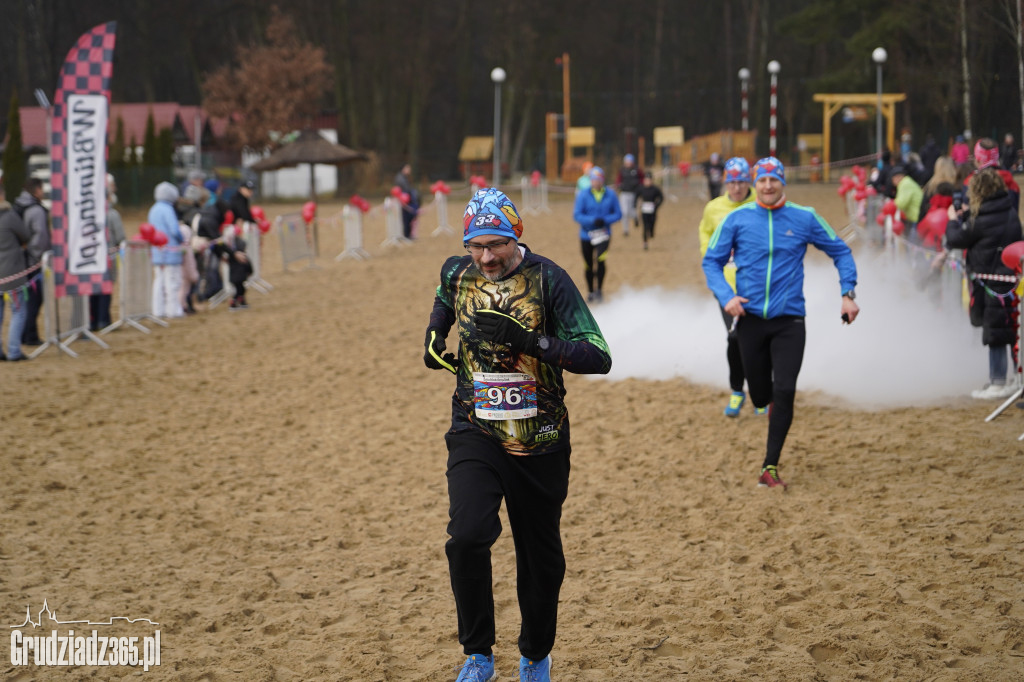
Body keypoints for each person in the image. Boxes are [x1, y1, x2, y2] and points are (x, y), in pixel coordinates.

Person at [422, 187, 611, 682]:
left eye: (496, 246)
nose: (486, 258)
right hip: (475, 427)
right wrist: (434, 334)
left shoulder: (550, 280)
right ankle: (479, 655)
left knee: (539, 556)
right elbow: (445, 298)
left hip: (539, 438)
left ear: (515, 237)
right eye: (477, 247)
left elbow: (598, 355)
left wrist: (531, 342)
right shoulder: (457, 270)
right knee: (466, 536)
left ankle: (535, 656)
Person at [702, 158, 859, 488]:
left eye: (774, 179)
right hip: (750, 319)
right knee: (760, 396)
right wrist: (726, 295)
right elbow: (711, 261)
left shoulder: (805, 217)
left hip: (790, 321)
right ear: (754, 184)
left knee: (785, 390)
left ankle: (769, 467)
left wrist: (848, 292)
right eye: (762, 180)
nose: (768, 185)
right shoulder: (737, 219)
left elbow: (841, 251)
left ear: (783, 183)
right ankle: (761, 400)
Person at [945, 167, 1023, 399]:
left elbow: (956, 239)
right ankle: (1015, 379)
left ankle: (997, 382)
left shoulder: (981, 217)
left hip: (991, 282)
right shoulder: (1008, 209)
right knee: (1013, 331)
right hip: (1011, 279)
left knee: (995, 333)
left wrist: (952, 221)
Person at [697, 157, 760, 417]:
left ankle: (761, 393)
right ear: (725, 183)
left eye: (742, 182)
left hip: (758, 285)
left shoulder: (761, 202)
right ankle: (737, 390)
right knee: (735, 338)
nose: (737, 188)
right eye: (732, 182)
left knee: (760, 341)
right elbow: (705, 235)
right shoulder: (714, 208)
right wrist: (714, 259)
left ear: (749, 182)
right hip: (726, 287)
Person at [572, 166, 621, 303]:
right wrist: (592, 220)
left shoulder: (611, 194)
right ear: (590, 181)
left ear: (603, 180)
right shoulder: (583, 195)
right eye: (593, 180)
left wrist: (605, 220)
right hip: (586, 235)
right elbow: (577, 215)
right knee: (588, 264)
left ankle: (599, 290)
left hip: (603, 234)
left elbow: (618, 214)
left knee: (600, 260)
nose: (596, 182)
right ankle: (590, 292)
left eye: (599, 180)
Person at [12, 178, 50, 345]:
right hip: (34, 263)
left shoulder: (19, 206)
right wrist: (40, 257)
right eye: (42, 189)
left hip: (21, 260)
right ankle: (30, 335)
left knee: (26, 300)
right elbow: (40, 235)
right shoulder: (36, 210)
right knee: (34, 299)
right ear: (36, 190)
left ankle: (25, 334)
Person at [88, 174, 126, 331]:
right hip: (108, 258)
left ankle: (93, 320)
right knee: (105, 289)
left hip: (90, 258)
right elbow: (120, 237)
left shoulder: (88, 216)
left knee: (92, 290)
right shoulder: (112, 214)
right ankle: (104, 319)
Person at [0, 180, 33, 361]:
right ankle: (14, 350)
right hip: (12, 273)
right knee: (18, 311)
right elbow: (25, 236)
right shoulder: (9, 215)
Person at [149, 181, 185, 318]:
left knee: (159, 281)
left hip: (157, 252)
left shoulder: (153, 209)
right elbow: (174, 230)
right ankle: (173, 310)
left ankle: (158, 310)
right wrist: (182, 239)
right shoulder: (168, 209)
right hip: (171, 252)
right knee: (173, 282)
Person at [213, 225, 253, 310]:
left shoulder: (232, 256)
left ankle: (241, 302)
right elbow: (248, 264)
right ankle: (234, 302)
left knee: (240, 289)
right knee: (240, 289)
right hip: (239, 276)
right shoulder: (241, 256)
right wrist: (250, 271)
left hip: (234, 276)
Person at [890, 166, 923, 238]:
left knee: (913, 244)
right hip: (916, 217)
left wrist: (890, 205)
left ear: (898, 177)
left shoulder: (905, 184)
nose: (892, 182)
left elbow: (901, 203)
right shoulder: (907, 182)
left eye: (893, 179)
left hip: (916, 218)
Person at [616, 153, 644, 236]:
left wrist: (639, 185)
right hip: (624, 193)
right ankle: (626, 230)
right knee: (624, 212)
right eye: (627, 161)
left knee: (632, 210)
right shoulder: (622, 170)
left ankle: (635, 217)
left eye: (629, 161)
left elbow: (642, 178)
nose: (628, 163)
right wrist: (619, 185)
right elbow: (618, 180)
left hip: (634, 193)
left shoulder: (637, 170)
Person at [634, 174, 663, 250]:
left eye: (649, 180)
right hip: (644, 211)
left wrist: (656, 205)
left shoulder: (655, 189)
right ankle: (645, 242)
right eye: (646, 180)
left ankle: (651, 232)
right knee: (645, 226)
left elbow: (661, 197)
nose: (647, 182)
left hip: (653, 211)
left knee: (651, 225)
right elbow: (636, 197)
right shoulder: (641, 188)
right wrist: (635, 205)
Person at [394, 163, 420, 239]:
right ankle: (407, 235)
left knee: (410, 218)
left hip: (407, 200)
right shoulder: (400, 178)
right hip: (405, 202)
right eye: (408, 168)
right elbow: (406, 189)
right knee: (407, 219)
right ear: (404, 169)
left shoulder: (404, 177)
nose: (409, 170)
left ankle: (409, 234)